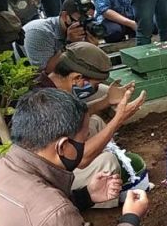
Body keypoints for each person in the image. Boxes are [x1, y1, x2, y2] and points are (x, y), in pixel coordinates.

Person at [0, 88, 150, 226]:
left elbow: (29, 221)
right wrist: (131, 218)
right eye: (83, 140)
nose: (85, 145)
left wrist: (85, 196)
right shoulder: (48, 212)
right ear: (63, 147)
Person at [33, 42, 147, 206]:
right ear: (77, 78)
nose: (94, 89)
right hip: (48, 179)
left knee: (94, 122)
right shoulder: (47, 102)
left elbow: (80, 114)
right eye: (94, 85)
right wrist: (118, 119)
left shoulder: (49, 85)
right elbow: (81, 159)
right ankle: (103, 197)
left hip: (56, 159)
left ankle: (116, 172)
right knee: (107, 162)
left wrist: (107, 100)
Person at [23, 0, 97, 72]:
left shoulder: (82, 31)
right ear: (65, 16)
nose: (85, 24)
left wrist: (90, 49)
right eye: (81, 20)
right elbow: (45, 73)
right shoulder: (40, 32)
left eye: (89, 20)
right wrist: (69, 45)